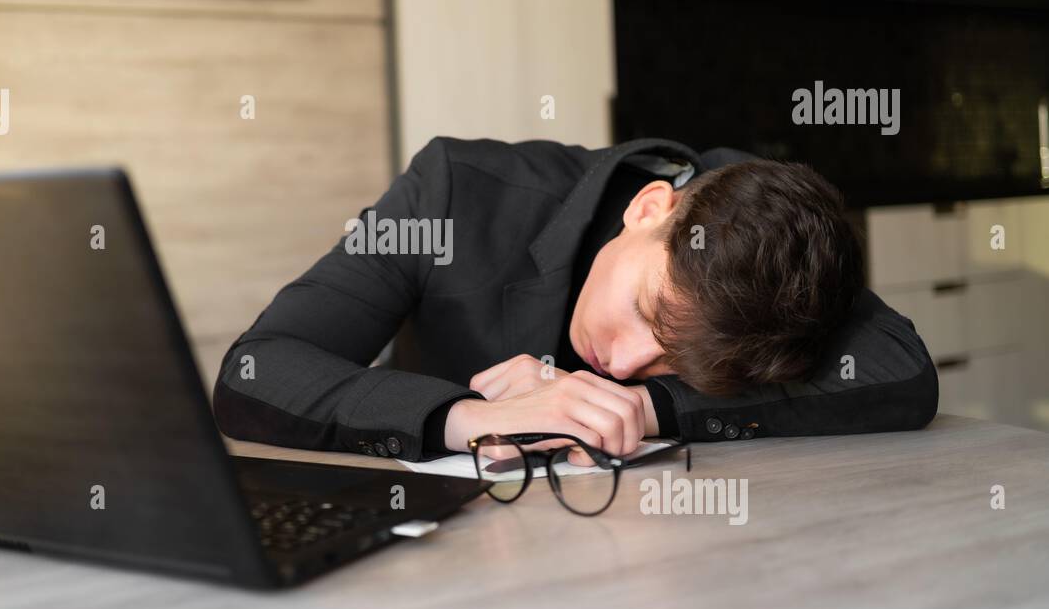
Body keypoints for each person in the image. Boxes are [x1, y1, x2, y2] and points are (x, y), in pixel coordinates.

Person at [213, 137, 938, 464]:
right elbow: (256, 370)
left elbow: (901, 371)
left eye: (674, 359)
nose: (624, 363)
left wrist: (647, 407)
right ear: (652, 209)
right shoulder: (452, 192)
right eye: (649, 314)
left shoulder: (767, 247)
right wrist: (475, 420)